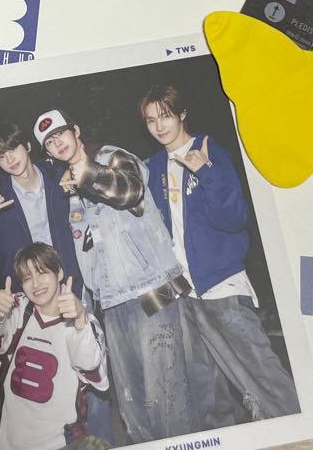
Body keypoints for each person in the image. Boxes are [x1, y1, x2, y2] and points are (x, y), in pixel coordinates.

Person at [140, 85, 300, 425]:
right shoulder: (154, 165)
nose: (159, 126)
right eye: (151, 120)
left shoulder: (209, 151)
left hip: (222, 285)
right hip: (184, 292)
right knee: (211, 387)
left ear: (182, 114)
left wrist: (205, 172)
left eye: (165, 116)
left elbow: (235, 218)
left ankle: (299, 428)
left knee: (263, 375)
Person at [36, 107, 195, 443]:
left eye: (61, 134)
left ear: (76, 131)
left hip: (153, 291)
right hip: (111, 303)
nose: (57, 143)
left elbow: (131, 190)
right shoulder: (71, 190)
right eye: (49, 142)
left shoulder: (111, 156)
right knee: (132, 404)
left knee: (167, 398)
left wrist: (89, 174)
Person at [0, 243, 109, 450]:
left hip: (61, 442)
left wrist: (80, 320)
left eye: (42, 272)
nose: (35, 284)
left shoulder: (85, 322)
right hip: (13, 442)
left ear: (59, 273)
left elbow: (89, 366)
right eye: (27, 278)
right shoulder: (20, 311)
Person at [0, 124, 83, 299]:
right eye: (1, 156)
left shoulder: (58, 176)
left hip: (70, 287)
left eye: (12, 149)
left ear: (27, 146)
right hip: (26, 297)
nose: (9, 159)